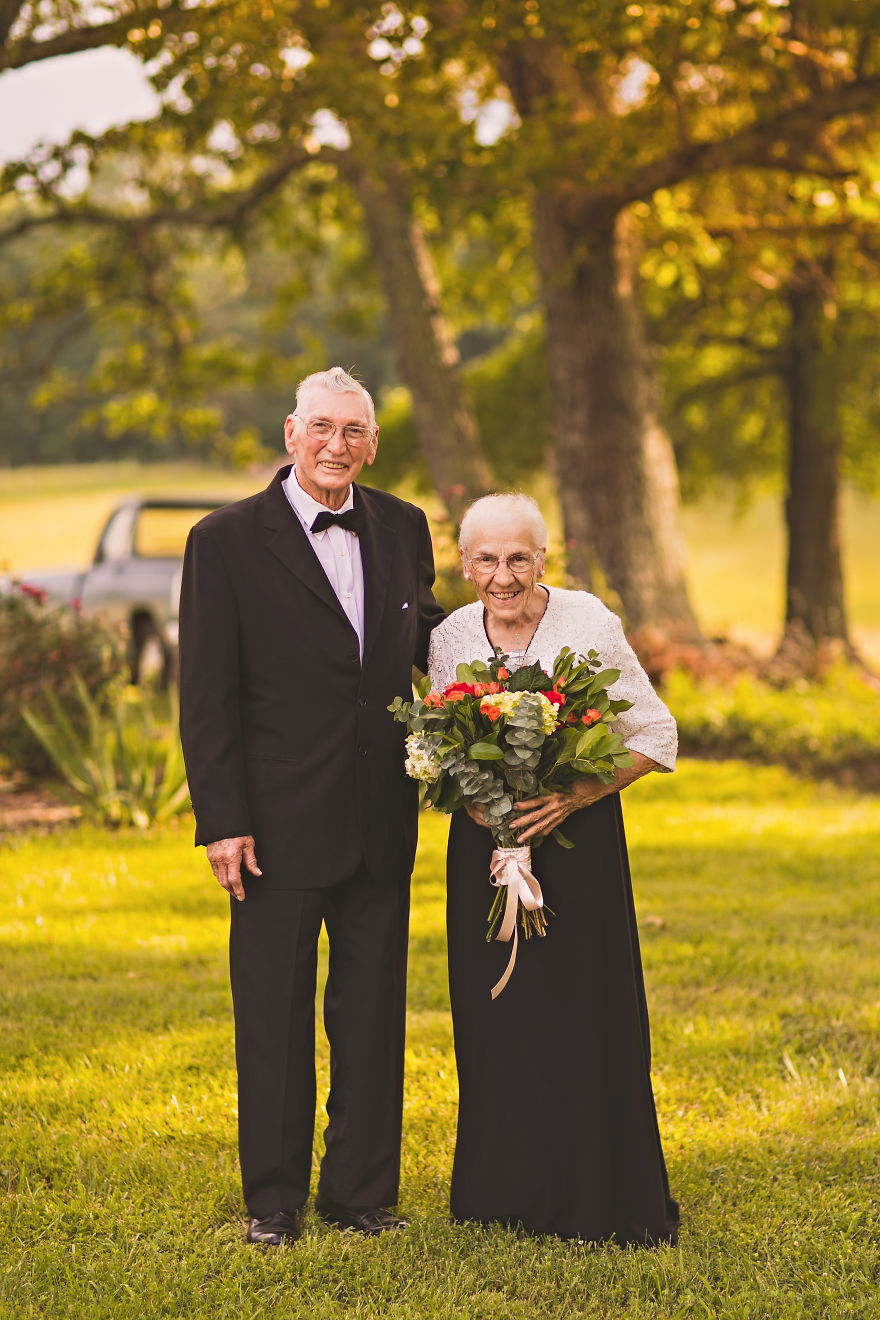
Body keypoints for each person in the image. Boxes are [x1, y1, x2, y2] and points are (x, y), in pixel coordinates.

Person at [179, 367, 444, 1246]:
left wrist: (530, 649)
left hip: (379, 821)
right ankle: (275, 1204)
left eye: (356, 432)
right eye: (324, 428)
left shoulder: (404, 526)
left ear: (373, 442)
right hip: (273, 829)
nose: (339, 445)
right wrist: (221, 819)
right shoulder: (222, 541)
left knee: (371, 1019)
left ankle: (362, 1196)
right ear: (291, 432)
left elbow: (432, 646)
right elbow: (205, 694)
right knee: (275, 1020)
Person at [428, 492, 679, 1245]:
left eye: (518, 558)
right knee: (495, 1018)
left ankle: (593, 1191)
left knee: (580, 1012)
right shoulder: (447, 637)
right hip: (485, 855)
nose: (501, 576)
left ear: (544, 558)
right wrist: (470, 800)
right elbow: (442, 742)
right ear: (464, 562)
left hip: (578, 850)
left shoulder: (587, 622)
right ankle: (502, 1190)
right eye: (485, 560)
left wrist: (575, 795)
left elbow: (656, 734)